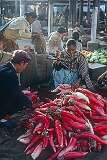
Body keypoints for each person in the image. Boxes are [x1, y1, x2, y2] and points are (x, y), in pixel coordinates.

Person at [0, 50, 32, 118]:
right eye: (26, 65)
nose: (25, 68)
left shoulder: (3, 67)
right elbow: (17, 95)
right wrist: (30, 104)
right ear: (22, 63)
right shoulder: (11, 74)